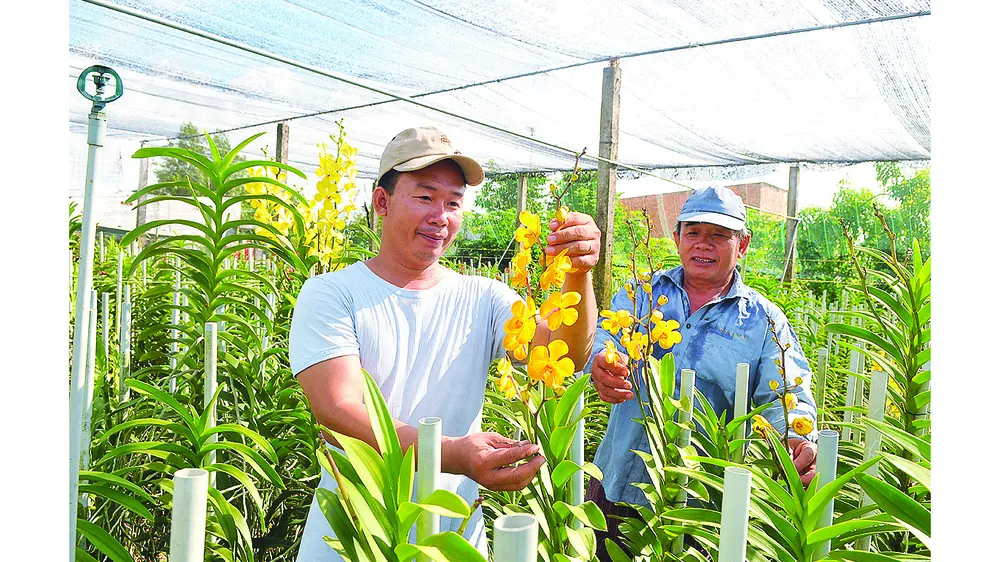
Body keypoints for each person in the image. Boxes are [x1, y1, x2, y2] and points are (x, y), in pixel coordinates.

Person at [290, 126, 603, 561]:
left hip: (453, 540)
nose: (441, 216)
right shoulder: (331, 293)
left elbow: (563, 355)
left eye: (453, 202)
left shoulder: (485, 297)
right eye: (425, 197)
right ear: (382, 202)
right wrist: (452, 455)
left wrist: (579, 272)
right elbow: (338, 412)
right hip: (355, 537)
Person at [586, 185, 820, 559]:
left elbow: (787, 396)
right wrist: (600, 362)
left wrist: (796, 438)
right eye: (693, 232)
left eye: (718, 235)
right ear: (677, 238)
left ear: (742, 245)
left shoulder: (763, 321)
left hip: (702, 504)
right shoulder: (642, 293)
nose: (703, 244)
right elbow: (600, 340)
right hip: (619, 482)